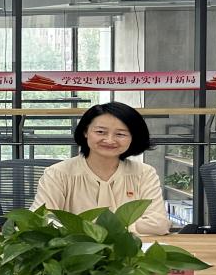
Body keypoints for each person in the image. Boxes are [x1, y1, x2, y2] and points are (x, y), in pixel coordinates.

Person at [31, 101, 169, 236]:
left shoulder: (144, 173)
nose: (109, 140)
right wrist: (130, 228)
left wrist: (85, 229)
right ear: (85, 132)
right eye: (101, 132)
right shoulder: (58, 174)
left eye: (120, 134)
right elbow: (41, 221)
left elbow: (158, 224)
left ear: (133, 137)